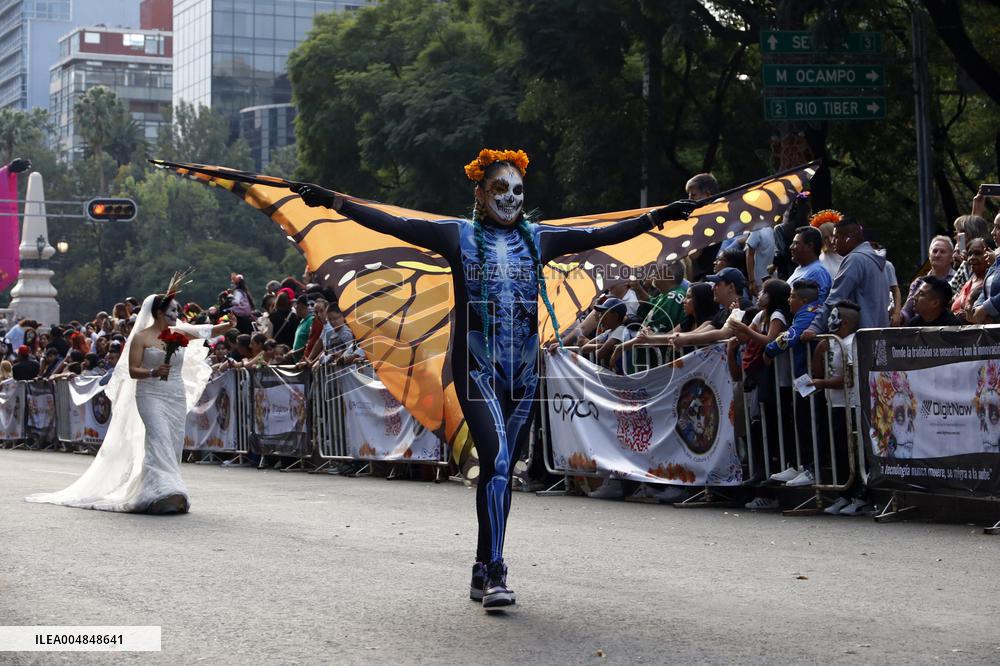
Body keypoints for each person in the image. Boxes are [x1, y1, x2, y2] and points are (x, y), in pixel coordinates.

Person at [292, 147, 697, 610]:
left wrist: (657, 217)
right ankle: (497, 572)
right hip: (476, 370)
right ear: (481, 193)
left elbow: (601, 234)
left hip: (523, 374)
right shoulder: (458, 235)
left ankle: (482, 564)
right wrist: (335, 202)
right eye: (500, 189)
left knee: (500, 471)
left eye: (518, 191)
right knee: (500, 462)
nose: (510, 198)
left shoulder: (540, 238)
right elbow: (394, 224)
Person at [27, 281, 234, 514]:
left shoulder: (179, 333)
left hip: (175, 395)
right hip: (150, 395)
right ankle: (166, 490)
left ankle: (159, 488)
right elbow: (134, 370)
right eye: (172, 310)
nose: (177, 315)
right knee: (158, 438)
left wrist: (228, 324)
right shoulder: (141, 337)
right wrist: (153, 371)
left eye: (177, 310)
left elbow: (209, 331)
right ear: (159, 313)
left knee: (173, 441)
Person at [808, 300, 869, 516]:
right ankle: (845, 494)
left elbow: (848, 379)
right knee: (840, 452)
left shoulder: (851, 343)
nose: (829, 321)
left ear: (844, 322)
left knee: (853, 452)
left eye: (833, 317)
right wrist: (818, 352)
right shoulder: (831, 342)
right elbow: (817, 372)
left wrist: (822, 383)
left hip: (850, 405)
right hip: (834, 404)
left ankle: (861, 497)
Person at [802, 216, 890, 342]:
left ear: (849, 237)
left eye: (836, 237)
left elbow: (836, 297)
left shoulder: (855, 260)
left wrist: (814, 327)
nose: (833, 242)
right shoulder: (877, 260)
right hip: (879, 336)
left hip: (859, 341)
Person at [900, 236, 955, 322]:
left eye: (942, 252)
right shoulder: (919, 282)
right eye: (935, 251)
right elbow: (907, 311)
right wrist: (897, 316)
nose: (937, 255)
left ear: (951, 257)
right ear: (929, 256)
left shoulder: (959, 279)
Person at [954, 237, 989, 322]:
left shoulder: (990, 284)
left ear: (989, 255)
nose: (972, 257)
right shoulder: (968, 281)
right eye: (970, 254)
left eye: (978, 253)